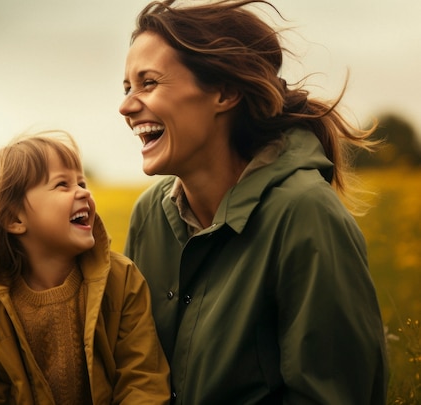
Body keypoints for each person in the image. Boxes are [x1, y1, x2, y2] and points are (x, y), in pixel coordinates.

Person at [118, 1, 388, 404]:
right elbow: (129, 371)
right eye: (126, 88)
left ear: (224, 93)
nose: (126, 105)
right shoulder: (148, 216)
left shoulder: (305, 215)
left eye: (149, 83)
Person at [0, 131, 170, 404]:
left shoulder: (121, 279)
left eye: (81, 182)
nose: (84, 191)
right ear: (14, 219)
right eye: (62, 185)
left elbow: (142, 379)